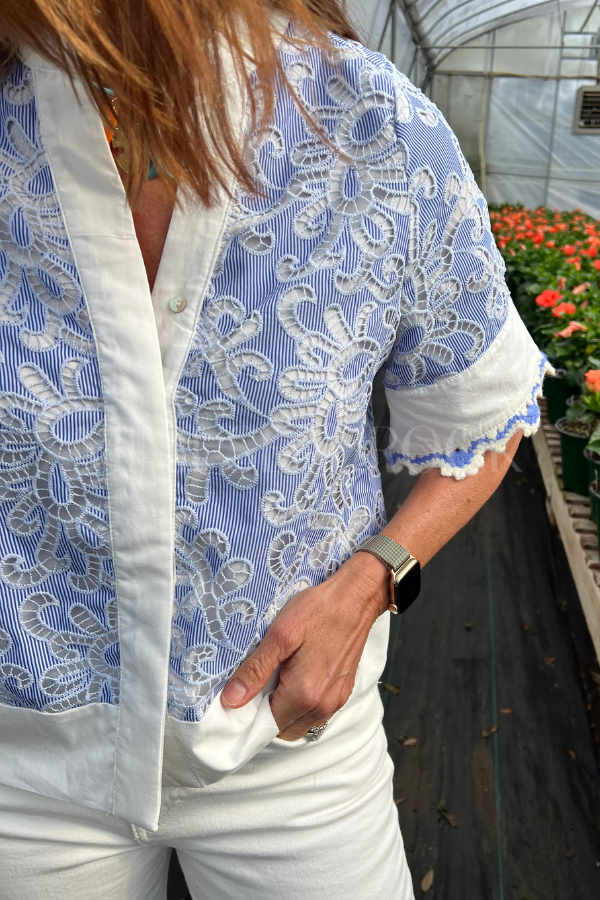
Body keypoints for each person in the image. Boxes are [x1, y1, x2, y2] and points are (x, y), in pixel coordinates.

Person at [0, 1, 548, 897]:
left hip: (288, 741)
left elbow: (483, 409)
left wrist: (375, 580)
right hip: (23, 757)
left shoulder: (369, 127)